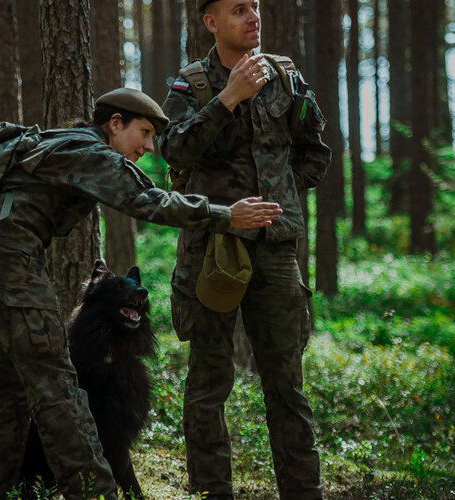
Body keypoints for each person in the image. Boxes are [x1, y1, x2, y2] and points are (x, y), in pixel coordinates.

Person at [0, 87, 283, 500]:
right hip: (0, 259)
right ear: (114, 124)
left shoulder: (55, 143)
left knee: (4, 387)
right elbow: (150, 201)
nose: (150, 146)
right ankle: (97, 494)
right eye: (144, 132)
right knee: (57, 387)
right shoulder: (94, 154)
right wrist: (225, 215)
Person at [156, 1, 332, 498]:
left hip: (275, 250)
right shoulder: (192, 83)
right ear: (212, 23)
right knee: (208, 386)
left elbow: (315, 151)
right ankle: (215, 493)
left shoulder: (285, 77)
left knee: (286, 386)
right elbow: (173, 151)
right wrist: (228, 98)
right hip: (212, 248)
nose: (253, 16)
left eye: (255, 6)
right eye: (239, 9)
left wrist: (280, 197)